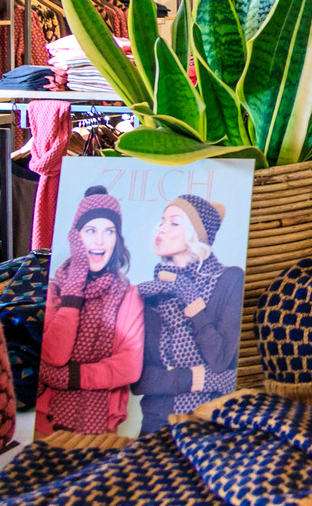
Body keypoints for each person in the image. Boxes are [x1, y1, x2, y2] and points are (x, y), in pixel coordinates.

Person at [39, 184, 145, 436]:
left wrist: (72, 377)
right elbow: (55, 355)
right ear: (76, 238)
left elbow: (129, 366)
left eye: (109, 231)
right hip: (45, 419)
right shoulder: (54, 290)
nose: (100, 240)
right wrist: (74, 288)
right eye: (91, 230)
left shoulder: (130, 296)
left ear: (116, 239)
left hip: (100, 427)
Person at [133, 193, 242, 430]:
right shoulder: (150, 294)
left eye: (173, 222)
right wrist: (197, 378)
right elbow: (140, 380)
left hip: (209, 420)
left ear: (197, 234)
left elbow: (221, 360)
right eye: (162, 221)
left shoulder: (229, 280)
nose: (161, 229)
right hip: (155, 423)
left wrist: (190, 298)